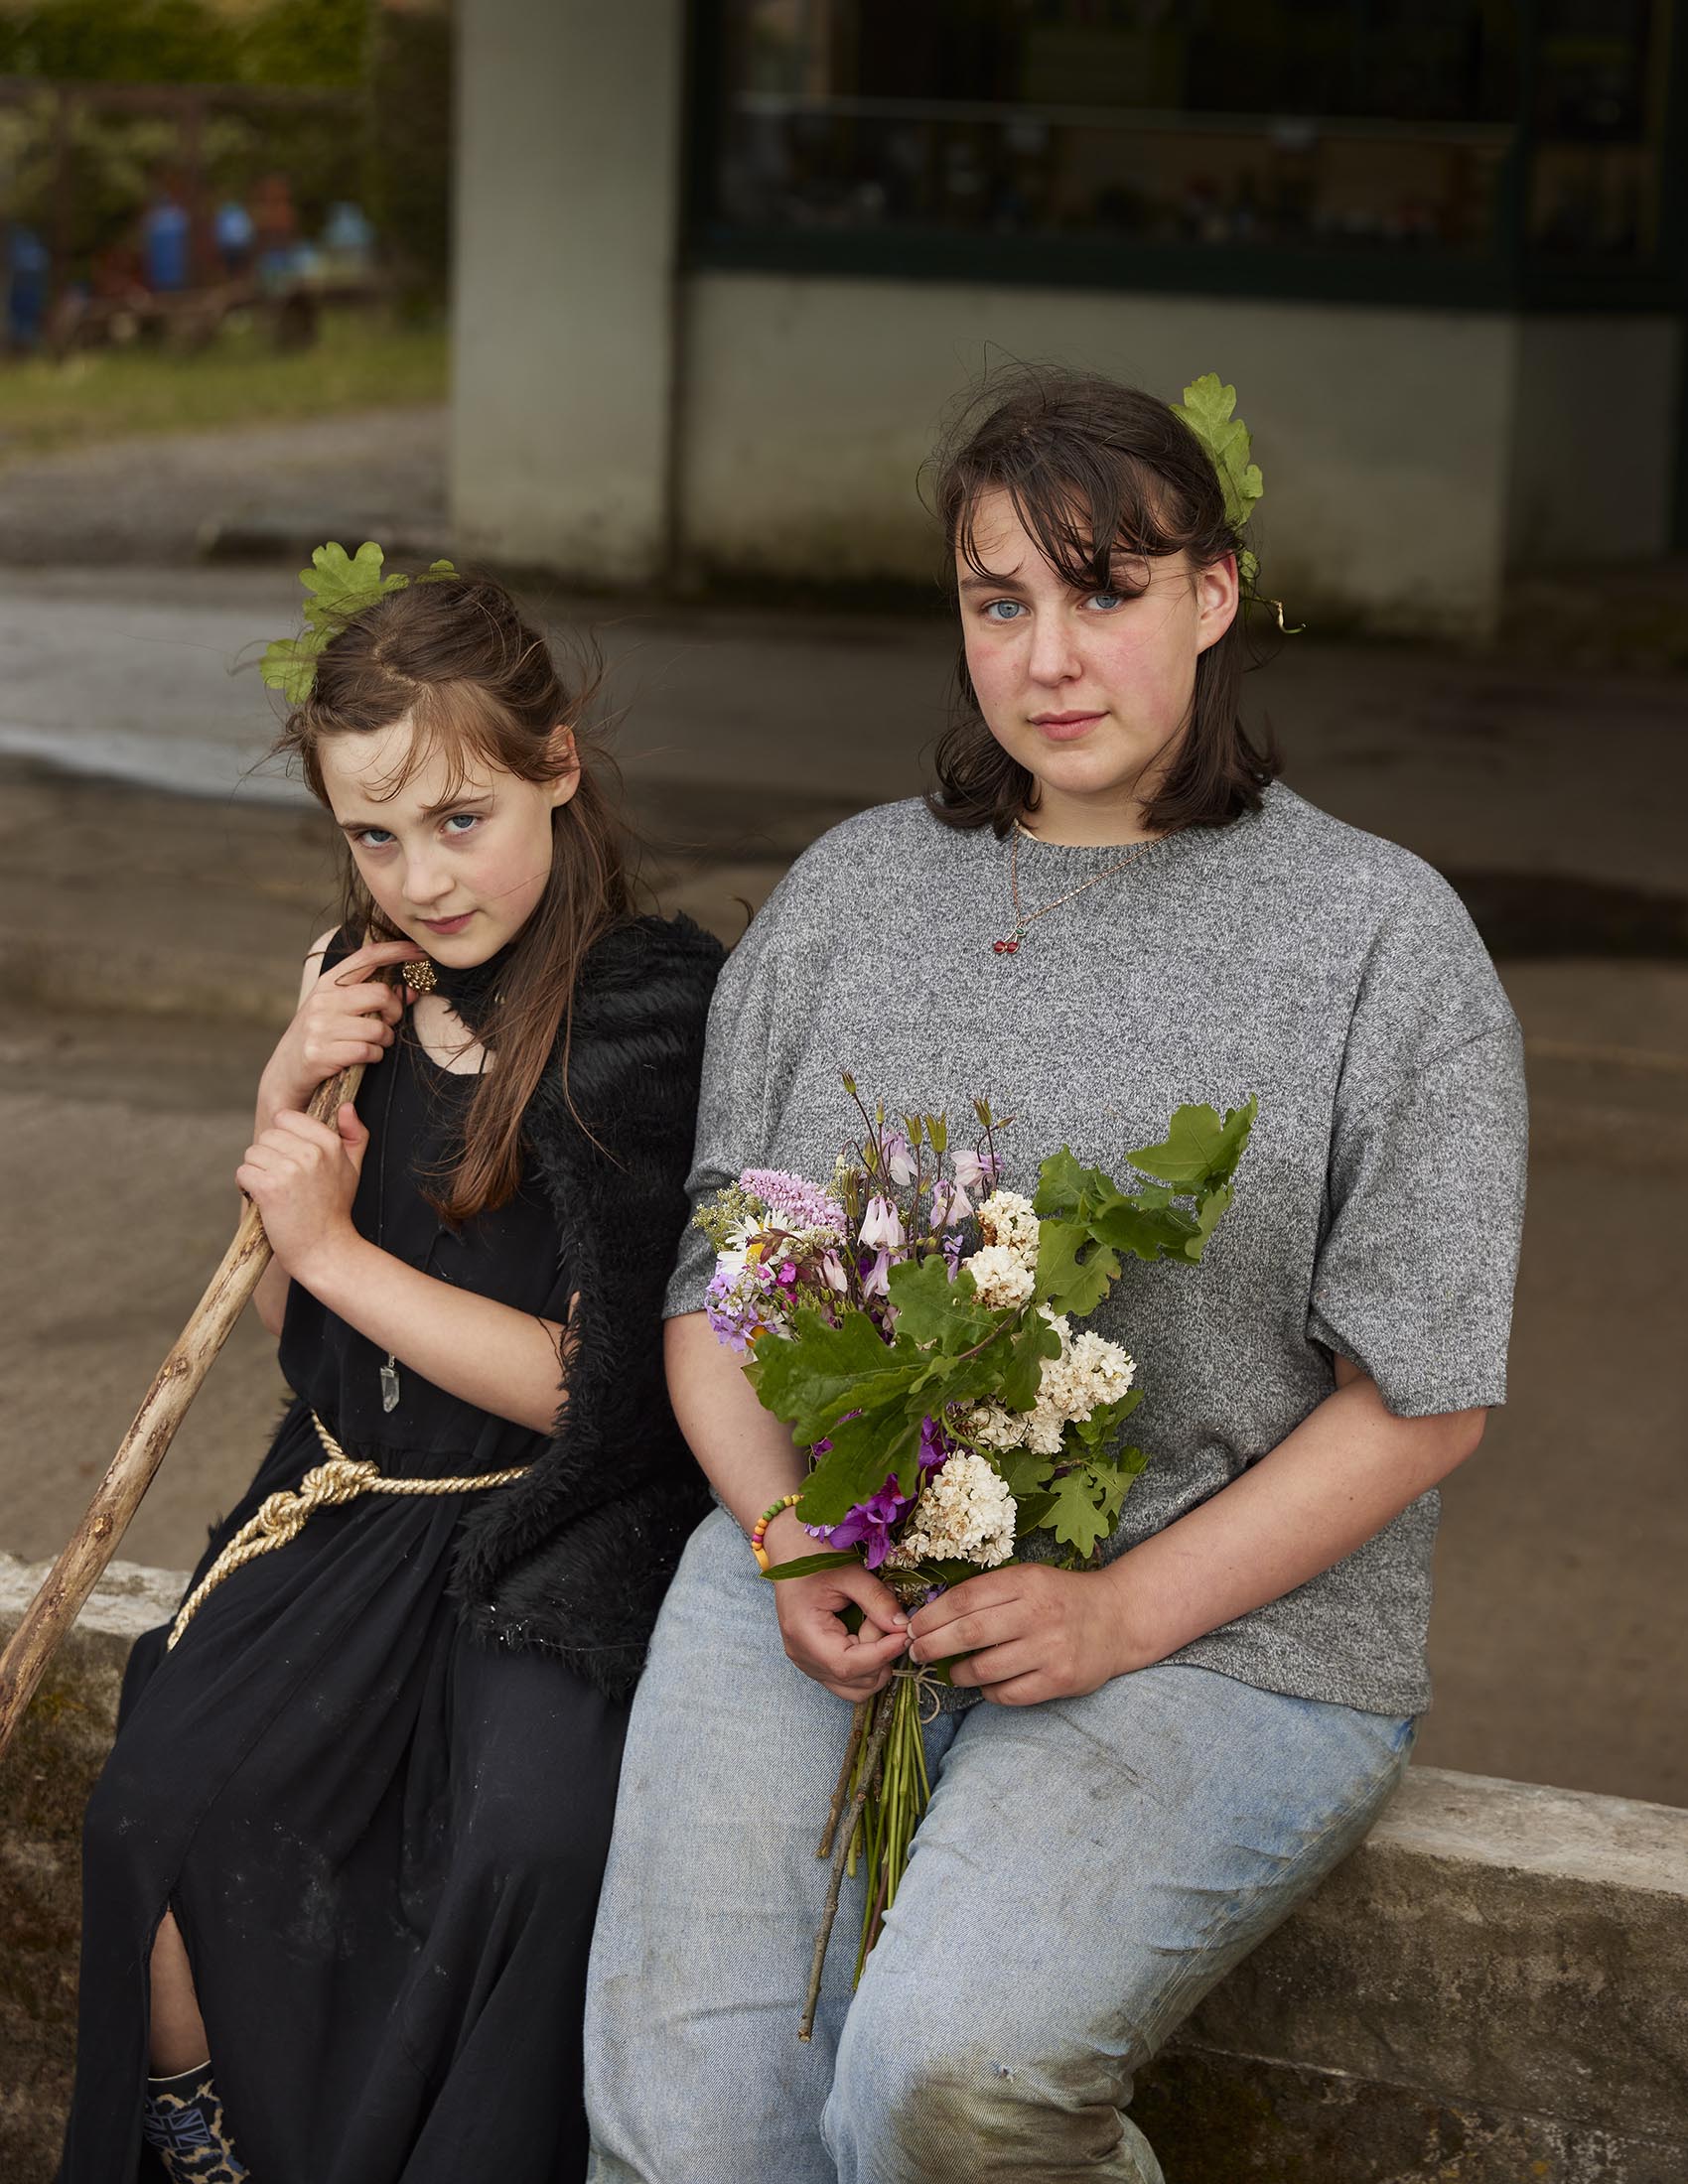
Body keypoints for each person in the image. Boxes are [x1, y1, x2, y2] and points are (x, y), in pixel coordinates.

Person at [584, 365, 1528, 2183]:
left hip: (1224, 1636)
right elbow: (716, 1288)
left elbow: (1426, 1399)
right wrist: (787, 1535)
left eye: (1107, 590)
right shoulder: (855, 896)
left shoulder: (1378, 938)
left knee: (944, 2087)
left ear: (1215, 594)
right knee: (690, 2139)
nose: (1050, 657)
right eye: (1000, 602)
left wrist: (1118, 1613)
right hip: (829, 1577)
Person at [61, 563, 723, 2183]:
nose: (421, 879)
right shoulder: (378, 995)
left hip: (549, 1535)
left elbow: (611, 1394)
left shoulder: (641, 1013)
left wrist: (344, 1248)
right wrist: (292, 1099)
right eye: (373, 836)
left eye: (458, 819)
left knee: (527, 1843)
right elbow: (317, 1347)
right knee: (160, 1794)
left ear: (558, 767)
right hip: (351, 1503)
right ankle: (213, 2142)